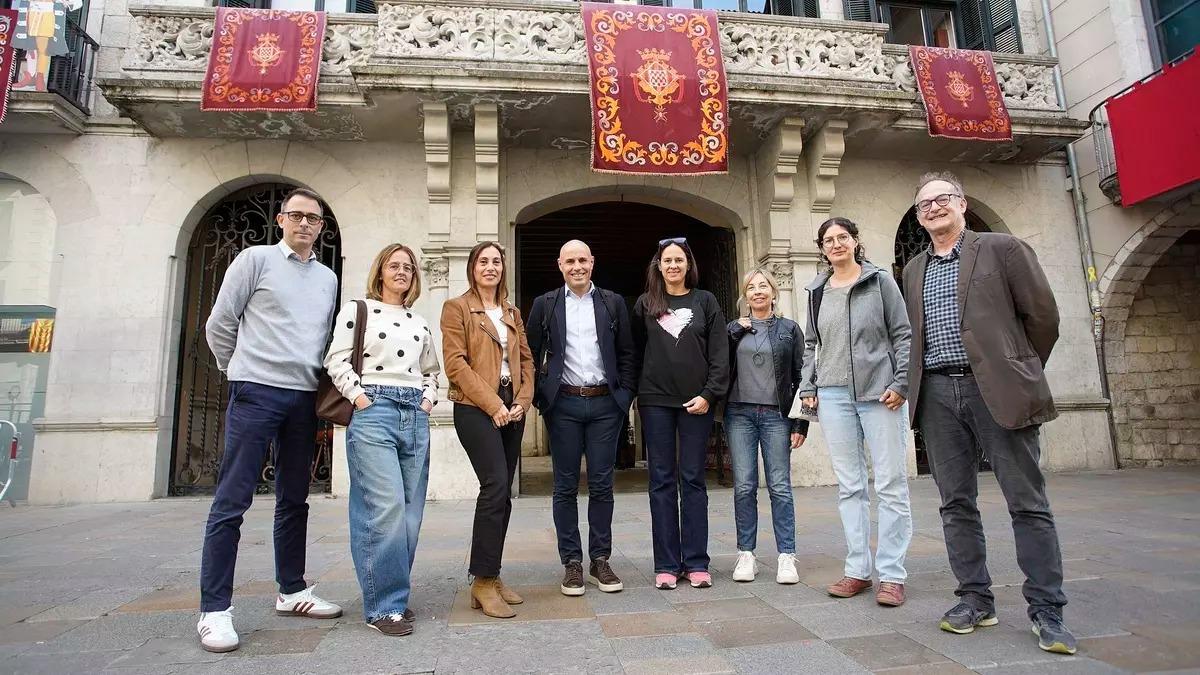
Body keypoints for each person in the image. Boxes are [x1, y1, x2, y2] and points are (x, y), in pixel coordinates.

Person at [902, 171, 1075, 654]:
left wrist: (1016, 368)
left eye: (941, 199)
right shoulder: (914, 268)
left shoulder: (1002, 248)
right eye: (924, 205)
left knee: (1027, 501)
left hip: (993, 388)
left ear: (961, 203)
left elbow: (1044, 318)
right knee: (955, 503)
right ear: (919, 217)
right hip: (937, 393)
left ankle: (1046, 609)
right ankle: (975, 599)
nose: (933, 209)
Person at [198, 187, 341, 653]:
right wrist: (236, 370)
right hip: (255, 391)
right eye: (296, 216)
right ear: (280, 220)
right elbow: (219, 324)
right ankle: (214, 611)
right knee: (232, 500)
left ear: (321, 227)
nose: (305, 224)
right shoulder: (254, 260)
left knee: (295, 499)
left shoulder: (327, 278)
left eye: (313, 219)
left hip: (303, 398)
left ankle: (292, 590)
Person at [324, 243, 440, 637]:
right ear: (381, 271)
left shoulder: (419, 321)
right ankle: (384, 606)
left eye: (409, 267)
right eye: (395, 265)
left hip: (414, 414)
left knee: (410, 513)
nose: (402, 272)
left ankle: (393, 597)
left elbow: (431, 370)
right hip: (374, 409)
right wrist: (359, 397)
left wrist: (427, 400)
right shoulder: (358, 310)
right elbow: (336, 359)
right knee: (383, 507)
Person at [798, 217, 914, 607]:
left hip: (880, 393)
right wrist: (809, 387)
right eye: (828, 240)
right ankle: (858, 571)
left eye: (842, 237)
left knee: (891, 484)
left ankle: (893, 575)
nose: (836, 245)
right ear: (822, 248)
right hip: (833, 395)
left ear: (855, 241)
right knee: (850, 487)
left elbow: (902, 333)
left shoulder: (880, 281)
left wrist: (900, 383)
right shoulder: (816, 289)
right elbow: (811, 345)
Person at [526, 240, 637, 597]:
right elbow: (530, 353)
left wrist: (625, 396)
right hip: (564, 407)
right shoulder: (545, 304)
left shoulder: (612, 302)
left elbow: (627, 352)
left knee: (603, 484)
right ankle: (571, 563)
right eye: (570, 261)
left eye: (583, 260)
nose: (577, 266)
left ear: (593, 262)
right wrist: (545, 397)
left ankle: (600, 559)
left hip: (606, 404)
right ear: (560, 265)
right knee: (565, 485)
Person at [440, 241, 534, 619]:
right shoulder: (457, 308)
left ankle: (492, 576)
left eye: (496, 261)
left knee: (503, 494)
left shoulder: (512, 311)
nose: (491, 267)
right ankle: (480, 581)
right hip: (475, 406)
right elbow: (455, 364)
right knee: (494, 485)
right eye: (484, 261)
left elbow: (526, 361)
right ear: (472, 268)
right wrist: (493, 404)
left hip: (512, 406)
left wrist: (521, 402)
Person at [632, 237, 729, 591]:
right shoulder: (646, 304)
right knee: (660, 481)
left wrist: (708, 395)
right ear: (658, 266)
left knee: (692, 479)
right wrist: (634, 395)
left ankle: (697, 562)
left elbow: (720, 354)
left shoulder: (705, 301)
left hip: (696, 404)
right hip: (655, 402)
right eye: (667, 260)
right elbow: (635, 353)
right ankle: (667, 564)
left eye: (679, 260)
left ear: (689, 264)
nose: (673, 266)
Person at [726, 268, 808, 585]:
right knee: (744, 486)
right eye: (751, 287)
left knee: (780, 487)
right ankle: (746, 554)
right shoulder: (733, 330)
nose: (758, 291)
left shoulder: (790, 329)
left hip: (777, 415)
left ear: (774, 292)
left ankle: (786, 555)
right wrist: (733, 329)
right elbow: (715, 361)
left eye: (763, 286)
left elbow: (802, 377)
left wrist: (801, 422)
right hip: (739, 414)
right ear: (745, 296)